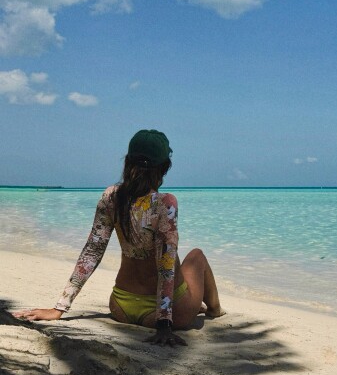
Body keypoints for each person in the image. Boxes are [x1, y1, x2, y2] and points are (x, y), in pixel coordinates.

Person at [13, 130, 224, 346]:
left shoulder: (111, 196)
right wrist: (164, 324)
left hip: (121, 307)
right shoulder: (165, 202)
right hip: (167, 315)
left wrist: (59, 308)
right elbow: (166, 265)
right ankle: (215, 310)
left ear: (128, 162)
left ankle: (194, 308)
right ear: (163, 167)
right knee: (197, 256)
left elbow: (92, 252)